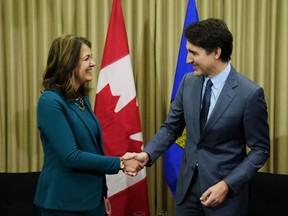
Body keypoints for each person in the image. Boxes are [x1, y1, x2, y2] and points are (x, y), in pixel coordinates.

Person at [125, 18, 270, 216]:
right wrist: (147, 154)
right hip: (187, 194)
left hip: (225, 199)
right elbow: (171, 128)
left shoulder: (249, 94)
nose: (188, 60)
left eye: (194, 53)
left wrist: (228, 184)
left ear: (216, 53)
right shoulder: (188, 82)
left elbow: (260, 149)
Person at [34, 34, 143, 216]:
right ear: (68, 63)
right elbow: (71, 156)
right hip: (65, 203)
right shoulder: (50, 102)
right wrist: (121, 163)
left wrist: (102, 194)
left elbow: (92, 149)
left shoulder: (81, 99)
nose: (93, 63)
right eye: (86, 58)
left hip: (92, 200)